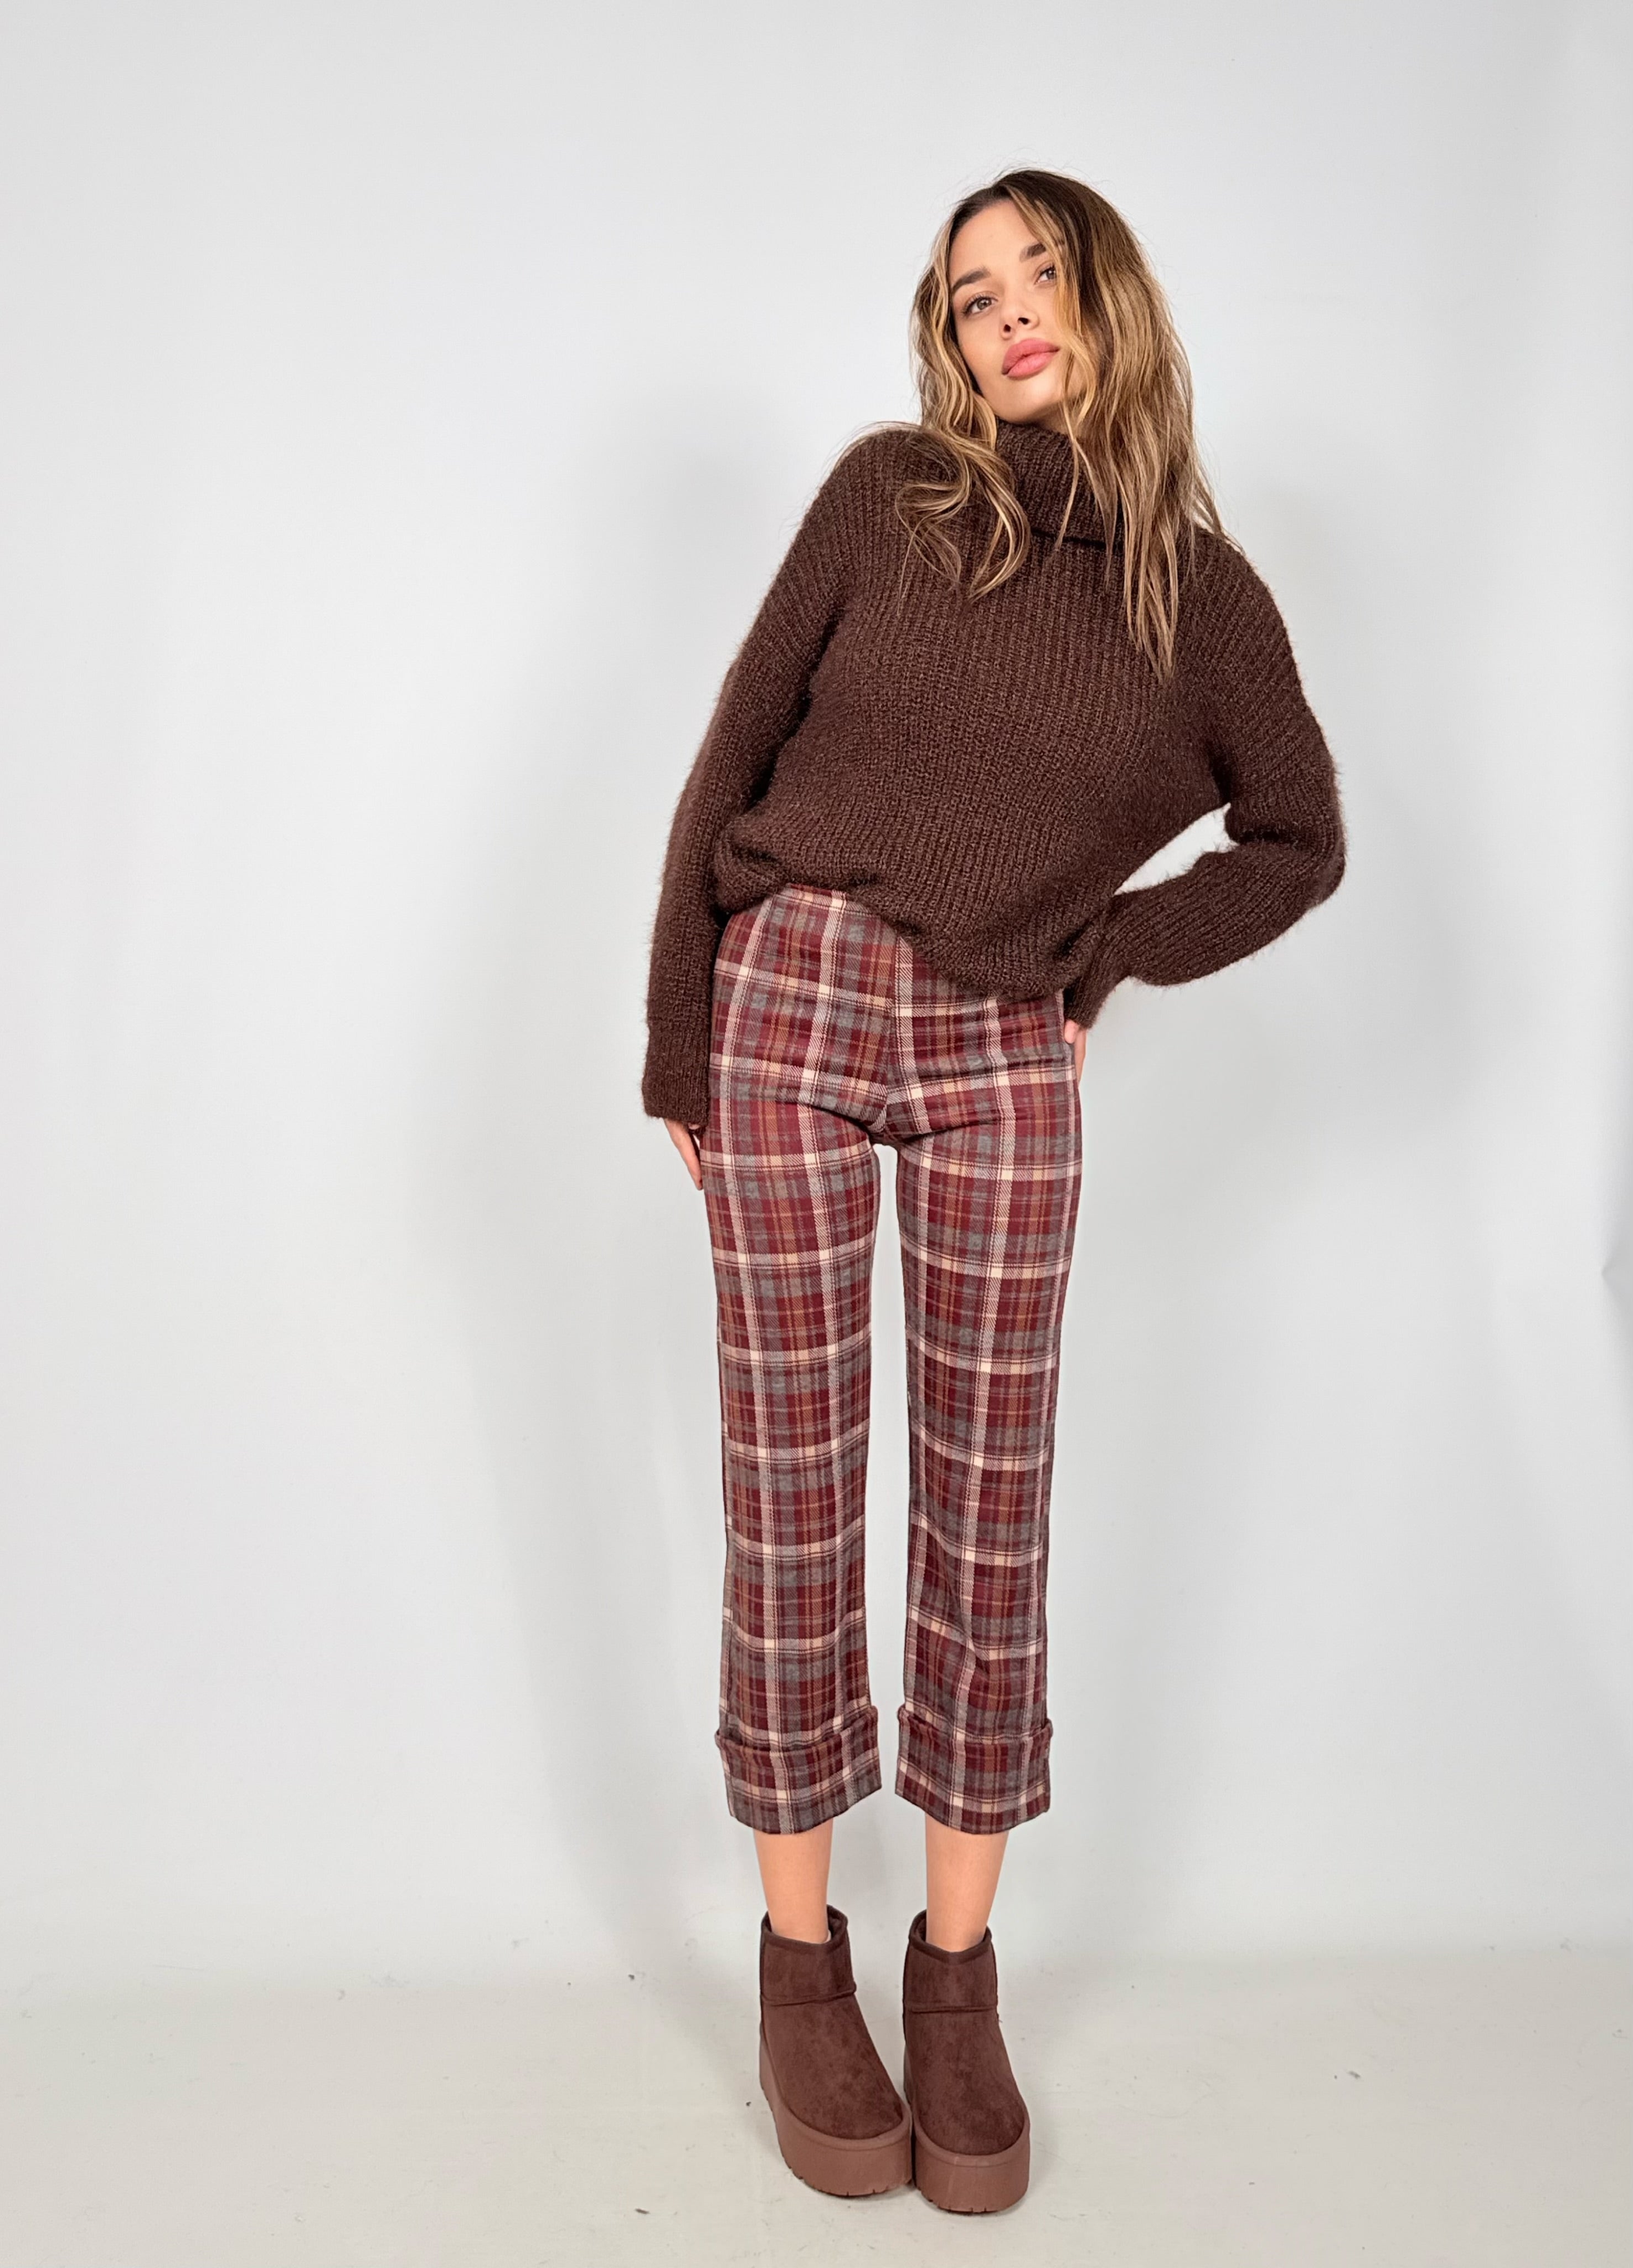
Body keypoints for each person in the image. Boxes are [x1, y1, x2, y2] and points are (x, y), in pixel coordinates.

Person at [640, 167, 1346, 2214]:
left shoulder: (1202, 600)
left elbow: (1299, 838)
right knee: (793, 1491)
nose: (1013, 312)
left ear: (1112, 299)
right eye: (974, 294)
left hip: (1000, 1050)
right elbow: (728, 759)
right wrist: (679, 1038)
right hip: (790, 999)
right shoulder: (888, 500)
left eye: (1045, 273)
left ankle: (955, 1979)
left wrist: (1105, 954)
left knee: (989, 1505)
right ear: (947, 342)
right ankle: (799, 1962)